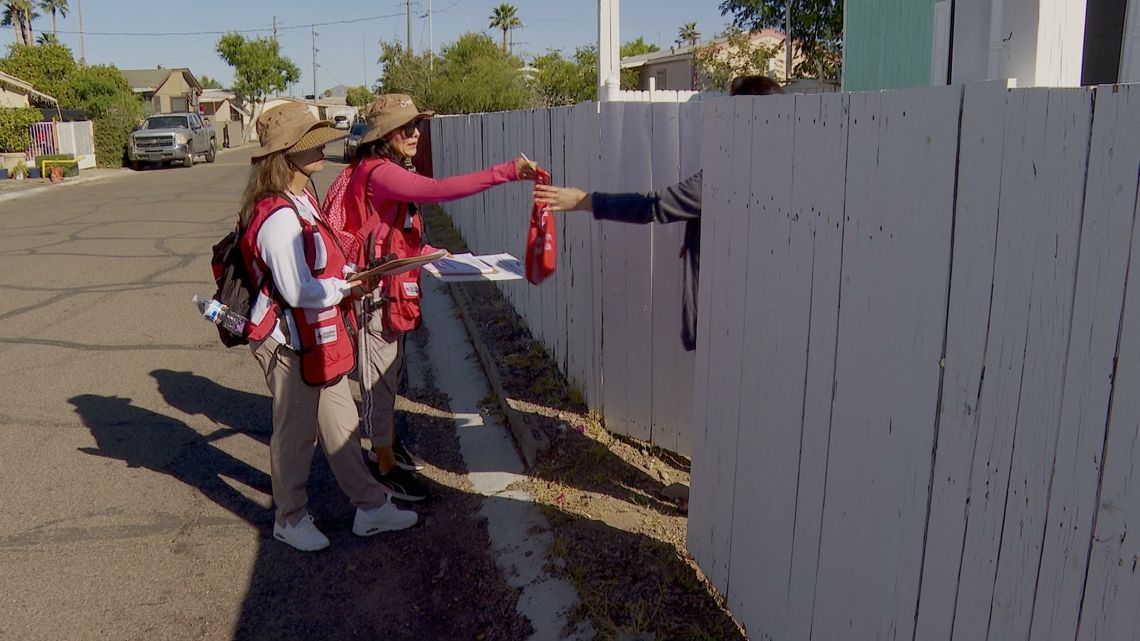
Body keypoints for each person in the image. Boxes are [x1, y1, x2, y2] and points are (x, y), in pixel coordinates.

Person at [326, 94, 537, 502]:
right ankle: (382, 462)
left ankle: (386, 444)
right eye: (406, 128)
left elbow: (387, 232)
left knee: (391, 372)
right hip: (375, 297)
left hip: (390, 291)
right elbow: (440, 190)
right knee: (380, 381)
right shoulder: (378, 171)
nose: (415, 133)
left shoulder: (377, 170)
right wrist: (508, 171)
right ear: (385, 135)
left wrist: (432, 255)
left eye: (417, 125)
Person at [238, 102, 417, 551]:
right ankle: (289, 517)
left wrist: (344, 282)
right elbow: (297, 291)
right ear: (286, 155)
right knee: (295, 436)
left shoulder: (301, 198)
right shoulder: (278, 215)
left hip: (316, 336)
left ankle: (371, 507)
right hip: (288, 341)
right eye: (309, 141)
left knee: (341, 425)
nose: (321, 145)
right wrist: (345, 288)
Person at [533, 75, 784, 351]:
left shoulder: (723, 176)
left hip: (728, 327)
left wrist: (584, 200)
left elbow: (652, 205)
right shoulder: (786, 167)